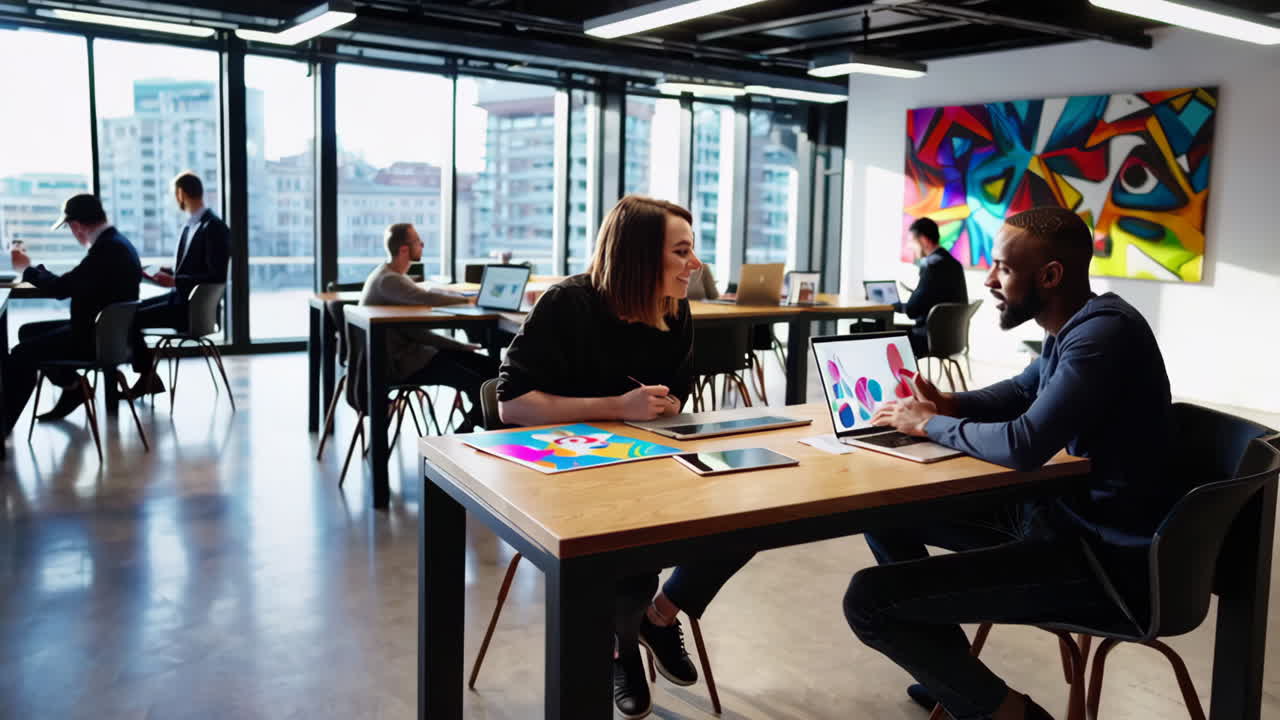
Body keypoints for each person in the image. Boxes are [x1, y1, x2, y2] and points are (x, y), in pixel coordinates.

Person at [843, 207, 1174, 720]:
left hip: (1099, 561)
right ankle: (951, 676)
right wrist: (949, 405)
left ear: (1050, 276)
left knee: (868, 601)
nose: (989, 280)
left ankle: (1009, 713)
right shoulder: (1073, 327)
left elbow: (1024, 444)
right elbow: (1022, 391)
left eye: (1003, 268)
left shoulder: (1102, 337)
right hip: (1056, 521)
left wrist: (927, 425)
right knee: (882, 512)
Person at [497, 195, 753, 720]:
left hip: (646, 458)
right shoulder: (565, 304)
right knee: (628, 536)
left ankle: (657, 617)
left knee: (749, 513)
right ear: (639, 257)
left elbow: (679, 397)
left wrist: (670, 404)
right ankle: (620, 647)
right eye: (682, 252)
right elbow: (512, 405)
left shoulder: (674, 310)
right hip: (562, 469)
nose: (695, 265)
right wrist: (618, 407)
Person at [3, 194, 142, 435]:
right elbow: (78, 282)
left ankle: (2, 426)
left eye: (69, 228)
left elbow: (61, 289)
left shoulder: (106, 250)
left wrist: (27, 269)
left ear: (76, 226)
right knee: (29, 332)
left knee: (21, 354)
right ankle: (73, 387)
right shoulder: (119, 243)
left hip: (92, 340)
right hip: (111, 335)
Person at [360, 223, 496, 433]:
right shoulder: (389, 280)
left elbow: (412, 331)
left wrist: (458, 346)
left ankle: (477, 427)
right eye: (418, 241)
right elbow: (427, 299)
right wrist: (469, 302)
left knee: (491, 369)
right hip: (402, 364)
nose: (422, 245)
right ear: (404, 249)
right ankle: (462, 437)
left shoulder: (390, 276)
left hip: (411, 355)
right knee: (483, 384)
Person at [130, 171, 230, 397]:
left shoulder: (213, 227)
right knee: (129, 311)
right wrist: (167, 274)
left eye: (174, 194)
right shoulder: (193, 225)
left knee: (128, 316)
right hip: (180, 299)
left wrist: (175, 280)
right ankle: (147, 376)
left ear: (181, 193)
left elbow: (216, 275)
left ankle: (147, 378)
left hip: (191, 311)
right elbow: (194, 270)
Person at [895, 217, 967, 358]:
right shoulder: (953, 264)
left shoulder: (932, 265)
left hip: (930, 340)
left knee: (884, 333)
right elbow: (933, 297)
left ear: (923, 240)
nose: (909, 246)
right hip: (954, 339)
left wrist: (893, 305)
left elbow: (912, 310)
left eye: (911, 241)